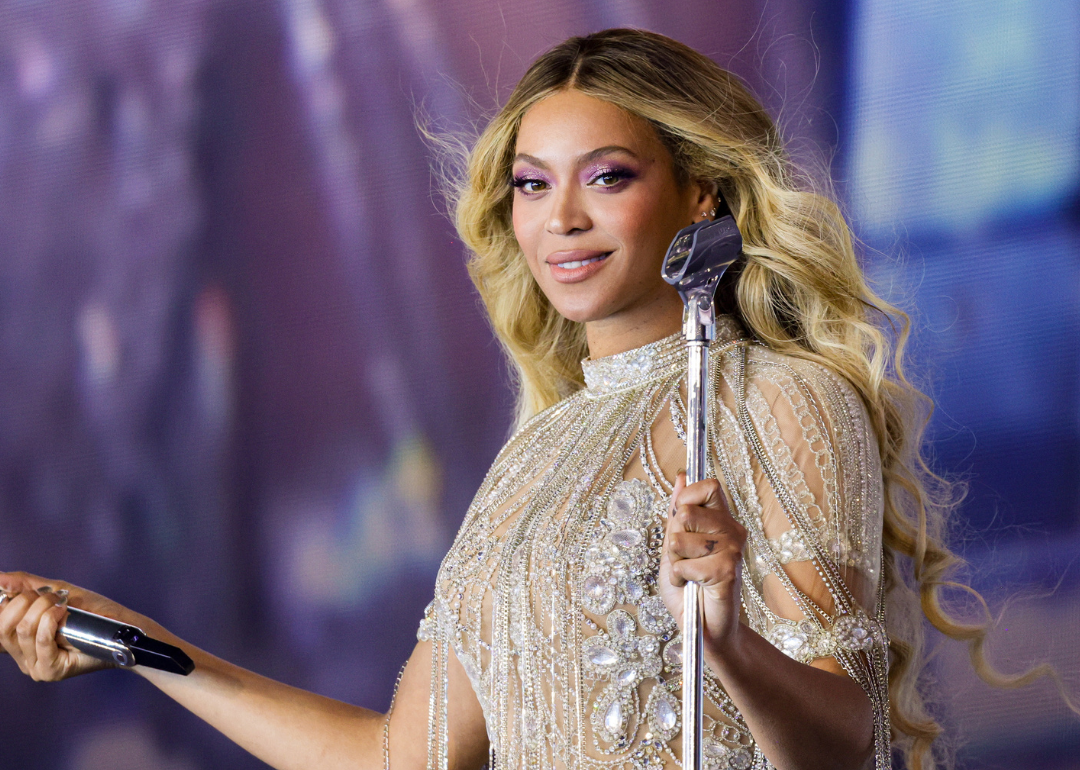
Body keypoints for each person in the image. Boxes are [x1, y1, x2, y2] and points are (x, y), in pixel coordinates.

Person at [0, 28, 1025, 770]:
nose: (563, 219)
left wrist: (728, 641)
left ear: (700, 194)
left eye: (608, 176)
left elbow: (844, 747)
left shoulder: (782, 398)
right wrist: (137, 643)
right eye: (532, 185)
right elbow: (404, 756)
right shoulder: (534, 456)